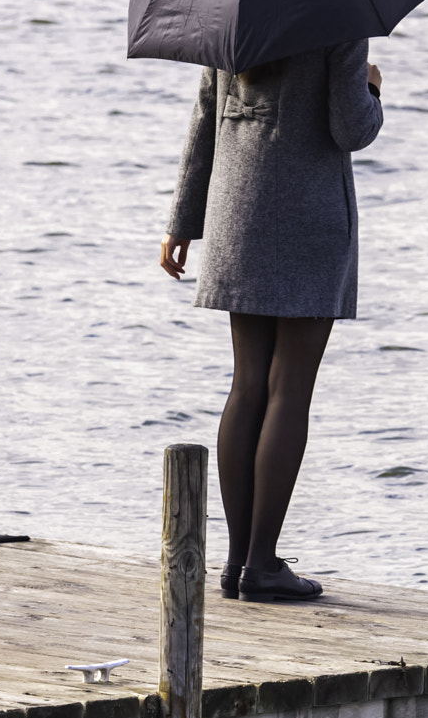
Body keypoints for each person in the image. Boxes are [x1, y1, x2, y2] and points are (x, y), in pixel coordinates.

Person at [159, 41, 383, 603]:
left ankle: (238, 564)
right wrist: (373, 89)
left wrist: (181, 223)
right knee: (289, 389)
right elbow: (350, 128)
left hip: (237, 210)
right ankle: (262, 563)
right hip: (307, 215)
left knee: (248, 383)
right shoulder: (339, 19)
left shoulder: (234, 15)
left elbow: (205, 120)